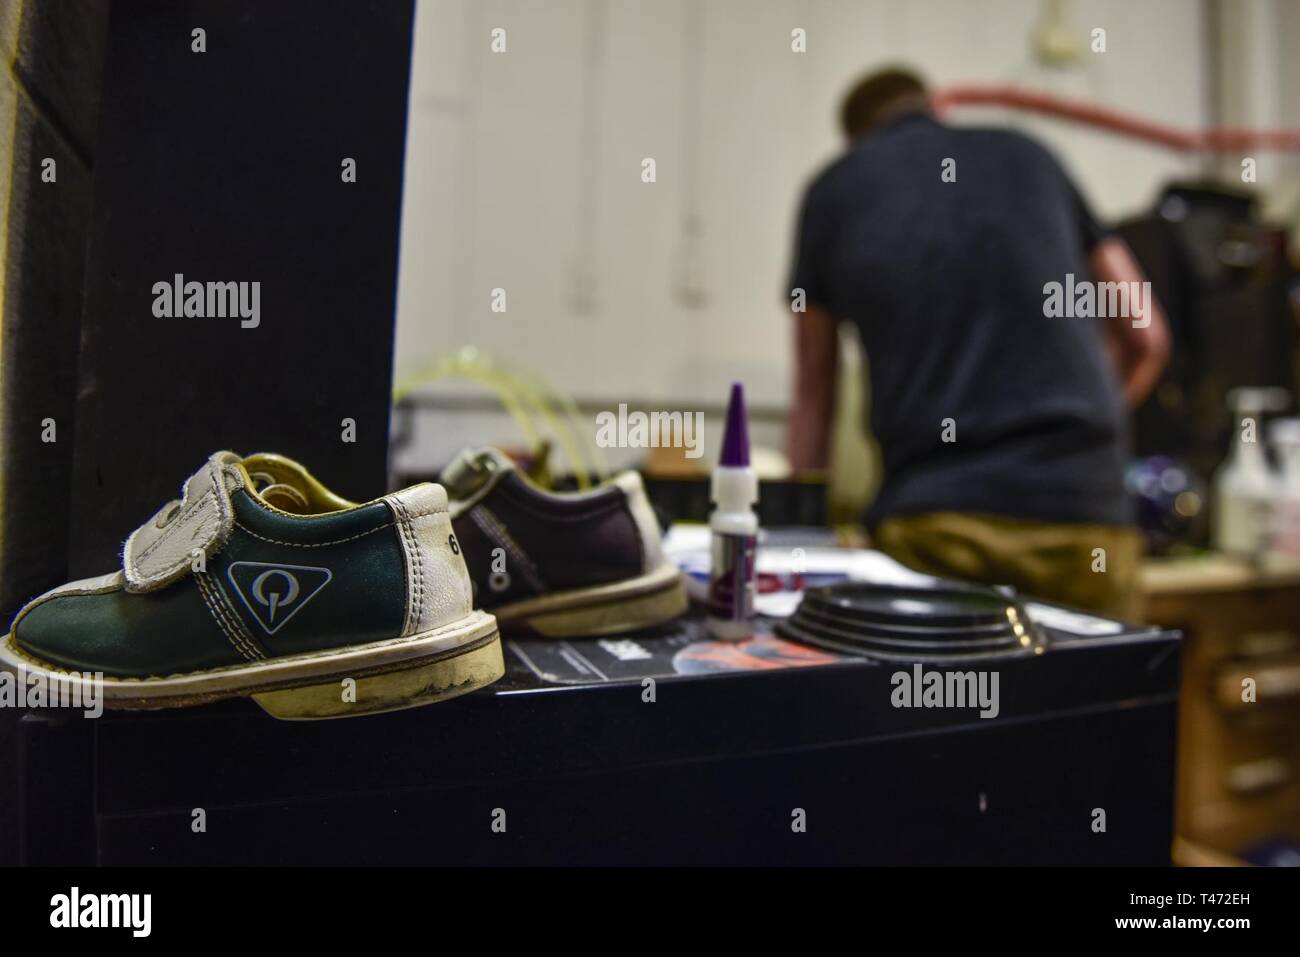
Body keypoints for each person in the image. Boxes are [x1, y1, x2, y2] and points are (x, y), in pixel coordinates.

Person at [786, 67, 1170, 617]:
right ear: (936, 108)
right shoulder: (1031, 156)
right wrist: (1085, 440)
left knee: (944, 704)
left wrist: (798, 538)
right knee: (1091, 701)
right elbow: (1147, 335)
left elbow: (814, 398)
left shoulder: (834, 190)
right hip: (1085, 522)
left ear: (855, 138)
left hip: (937, 525)